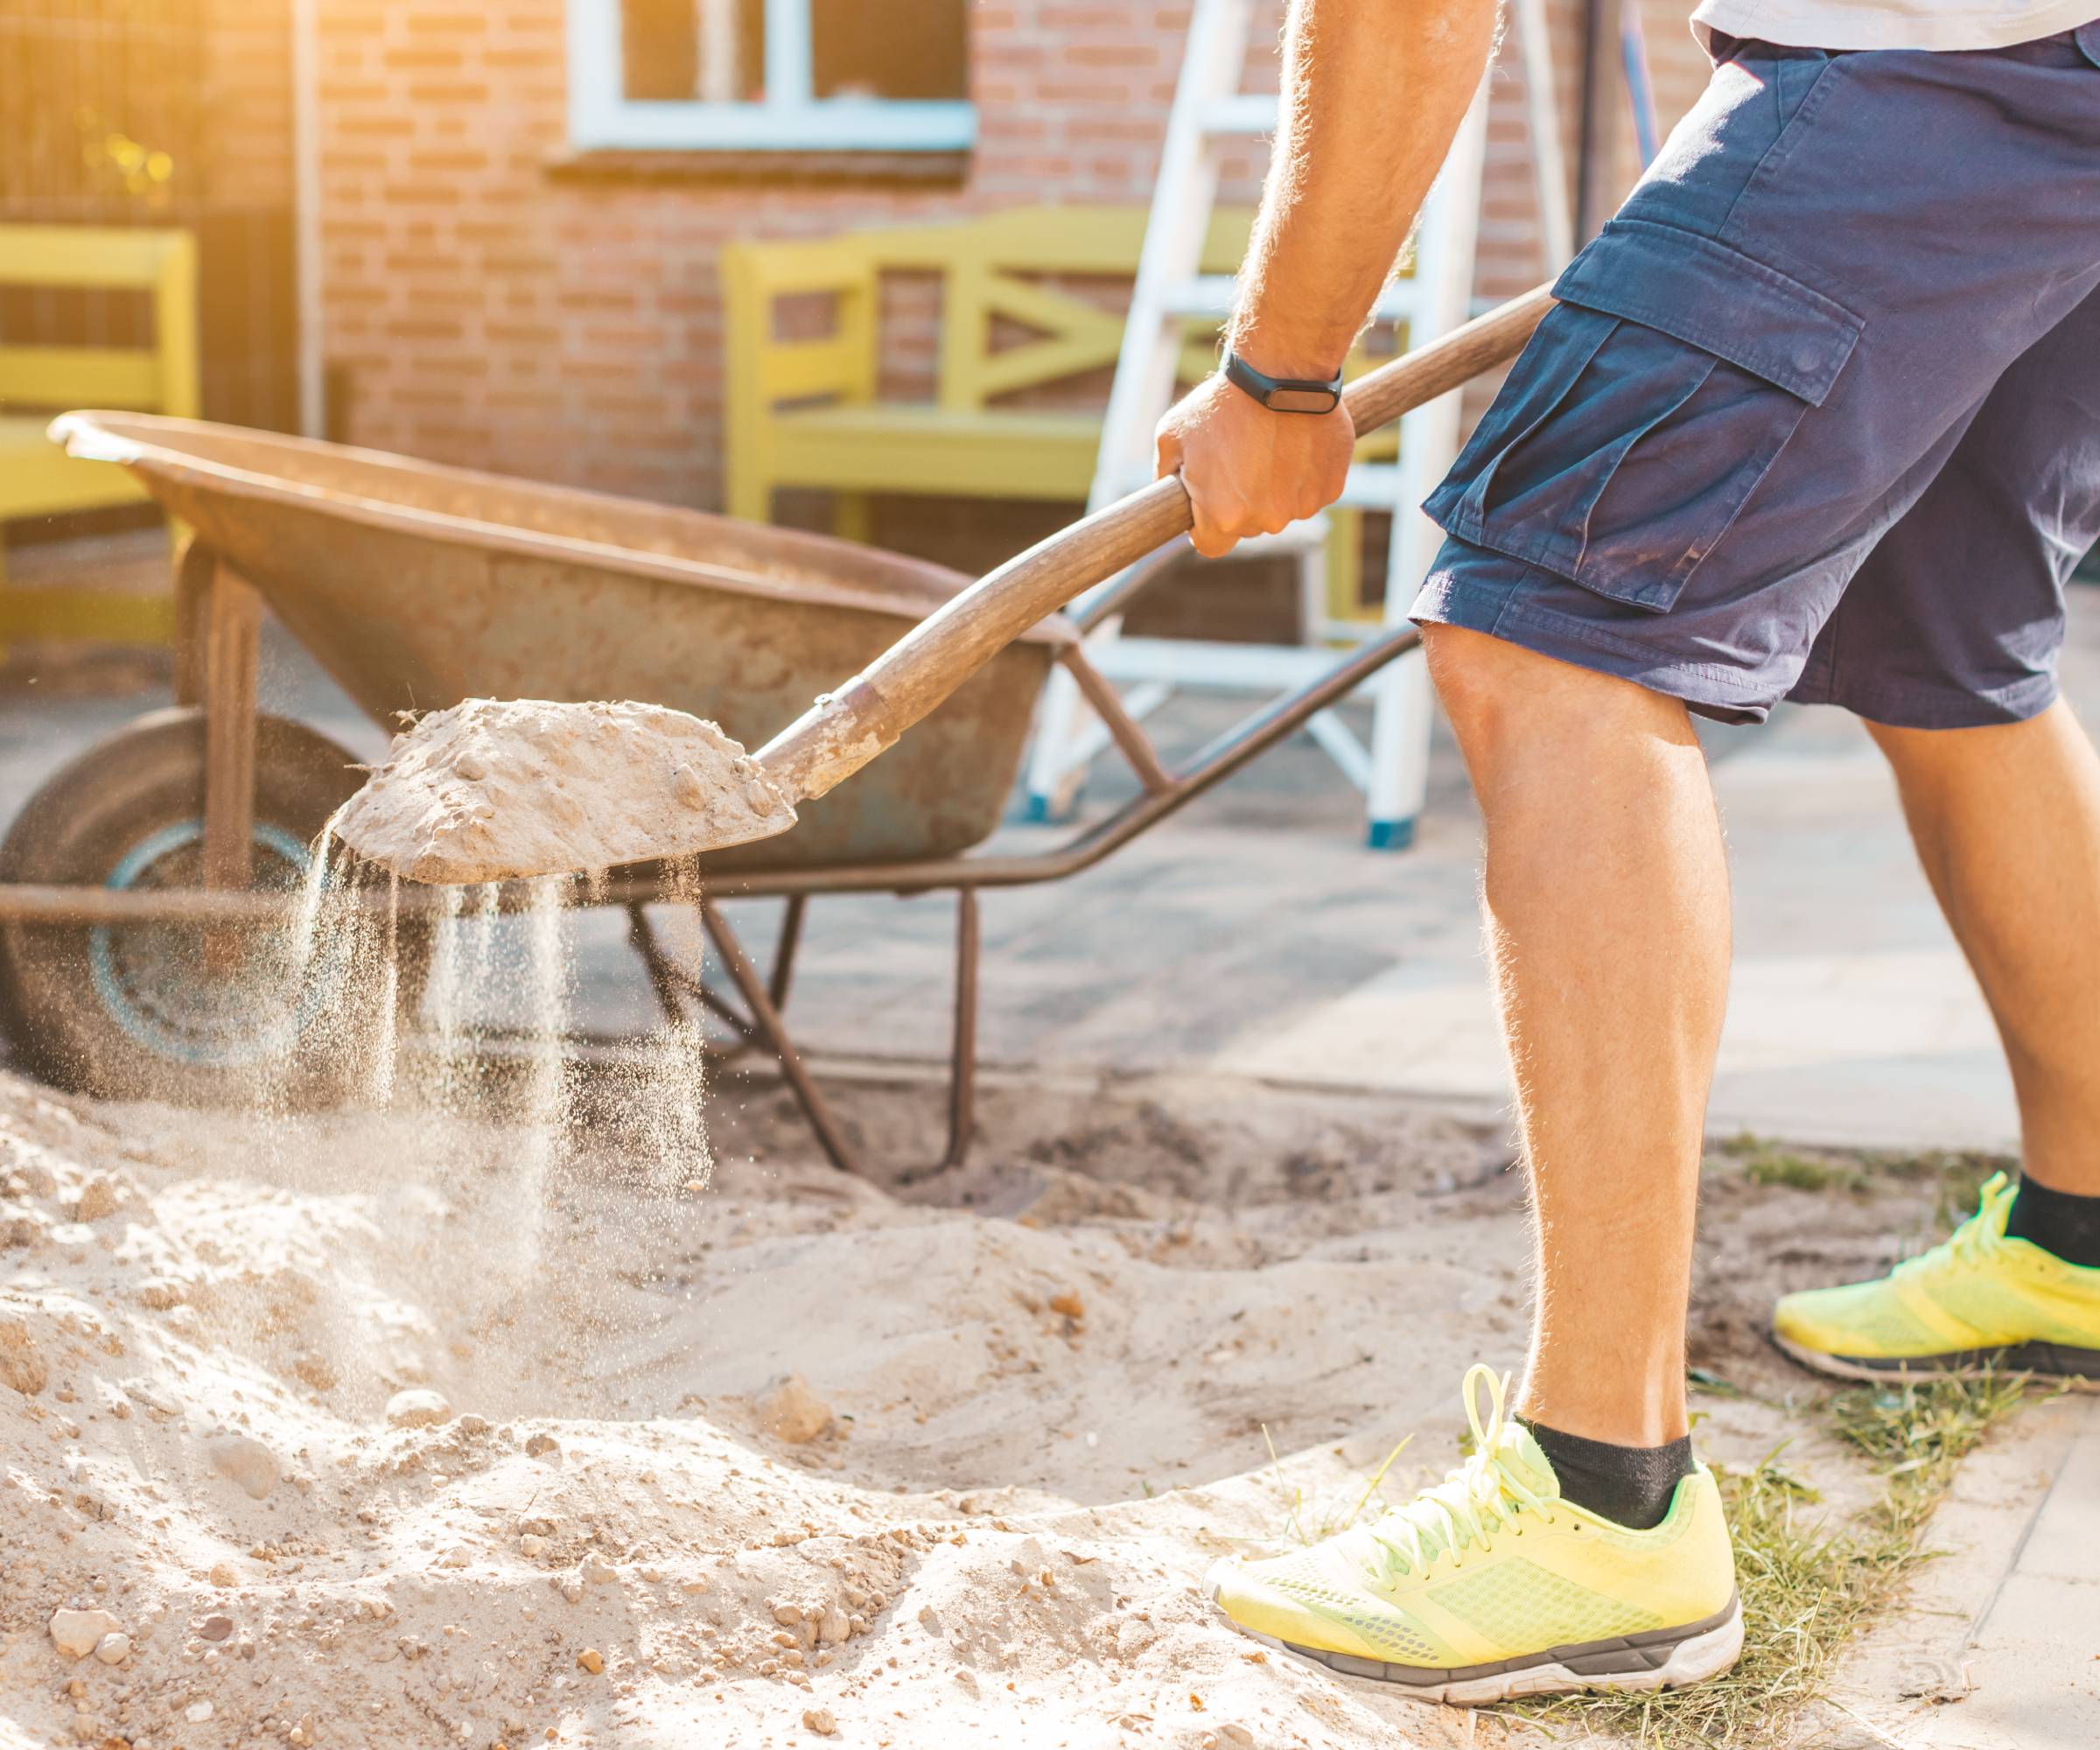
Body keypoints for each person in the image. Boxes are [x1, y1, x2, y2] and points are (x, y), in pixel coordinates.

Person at [1166, 0, 2100, 1704]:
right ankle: (2084, 1237)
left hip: (1936, 65)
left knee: (1552, 634)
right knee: (1950, 636)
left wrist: (1282, 372)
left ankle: (1605, 1499)